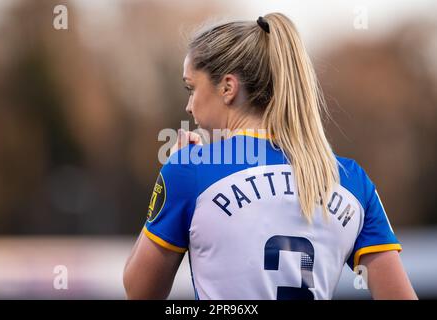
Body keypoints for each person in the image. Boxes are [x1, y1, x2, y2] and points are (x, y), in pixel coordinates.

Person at [123, 13, 417, 300]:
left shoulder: (190, 169)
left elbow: (140, 290)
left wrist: (171, 177)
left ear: (227, 88)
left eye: (191, 88)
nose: (189, 106)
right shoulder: (352, 180)